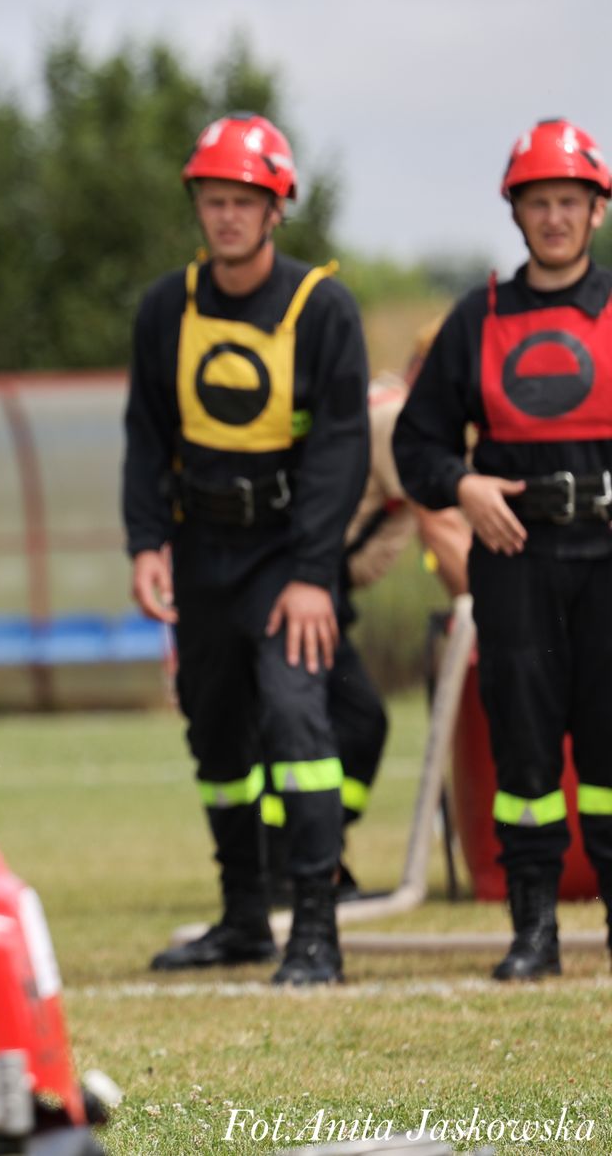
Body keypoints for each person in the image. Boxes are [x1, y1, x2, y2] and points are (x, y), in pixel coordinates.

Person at [123, 113, 370, 986]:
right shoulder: (167, 306)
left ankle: (315, 931)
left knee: (299, 719)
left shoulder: (322, 307)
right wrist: (145, 541)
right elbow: (147, 436)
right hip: (199, 549)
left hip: (287, 552)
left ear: (277, 210)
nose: (226, 216)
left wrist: (312, 575)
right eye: (213, 199)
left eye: (244, 201)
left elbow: (343, 449)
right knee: (215, 731)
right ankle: (241, 920)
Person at [393, 116, 612, 981]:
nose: (554, 216)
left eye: (569, 200)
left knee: (610, 752)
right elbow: (417, 444)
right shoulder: (475, 321)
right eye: (538, 202)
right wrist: (464, 487)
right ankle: (534, 932)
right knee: (522, 753)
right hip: (516, 562)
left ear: (596, 211)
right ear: (515, 212)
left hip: (607, 562)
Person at [262, 326, 474, 901]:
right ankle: (294, 861)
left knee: (340, 723)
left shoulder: (386, 406)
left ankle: (304, 856)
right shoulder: (399, 422)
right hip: (302, 582)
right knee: (351, 722)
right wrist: (488, 612)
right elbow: (443, 526)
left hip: (311, 580)